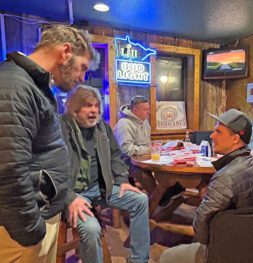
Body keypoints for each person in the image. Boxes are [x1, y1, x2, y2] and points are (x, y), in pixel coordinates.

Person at [0, 25, 95, 262]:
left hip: (41, 214)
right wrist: (32, 231)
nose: (83, 78)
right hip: (23, 230)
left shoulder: (34, 86)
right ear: (65, 52)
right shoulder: (15, 86)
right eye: (82, 67)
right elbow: (9, 170)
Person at [160, 109, 253, 263]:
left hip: (226, 251)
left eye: (218, 131)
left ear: (235, 139)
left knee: (167, 256)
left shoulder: (225, 177)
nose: (212, 136)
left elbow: (201, 230)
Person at [60, 85, 150, 263]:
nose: (94, 110)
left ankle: (139, 260)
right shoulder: (60, 129)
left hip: (101, 188)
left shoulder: (103, 128)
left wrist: (122, 179)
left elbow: (116, 156)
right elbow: (51, 169)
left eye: (96, 106)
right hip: (73, 195)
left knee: (141, 200)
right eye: (88, 105)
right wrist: (69, 197)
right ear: (74, 109)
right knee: (92, 229)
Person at [114, 96, 184, 209]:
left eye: (149, 109)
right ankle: (160, 198)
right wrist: (149, 150)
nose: (149, 112)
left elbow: (146, 144)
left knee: (164, 166)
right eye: (145, 109)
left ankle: (168, 190)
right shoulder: (124, 124)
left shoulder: (145, 122)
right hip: (123, 163)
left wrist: (158, 147)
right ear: (135, 110)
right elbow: (126, 150)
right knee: (142, 172)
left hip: (143, 159)